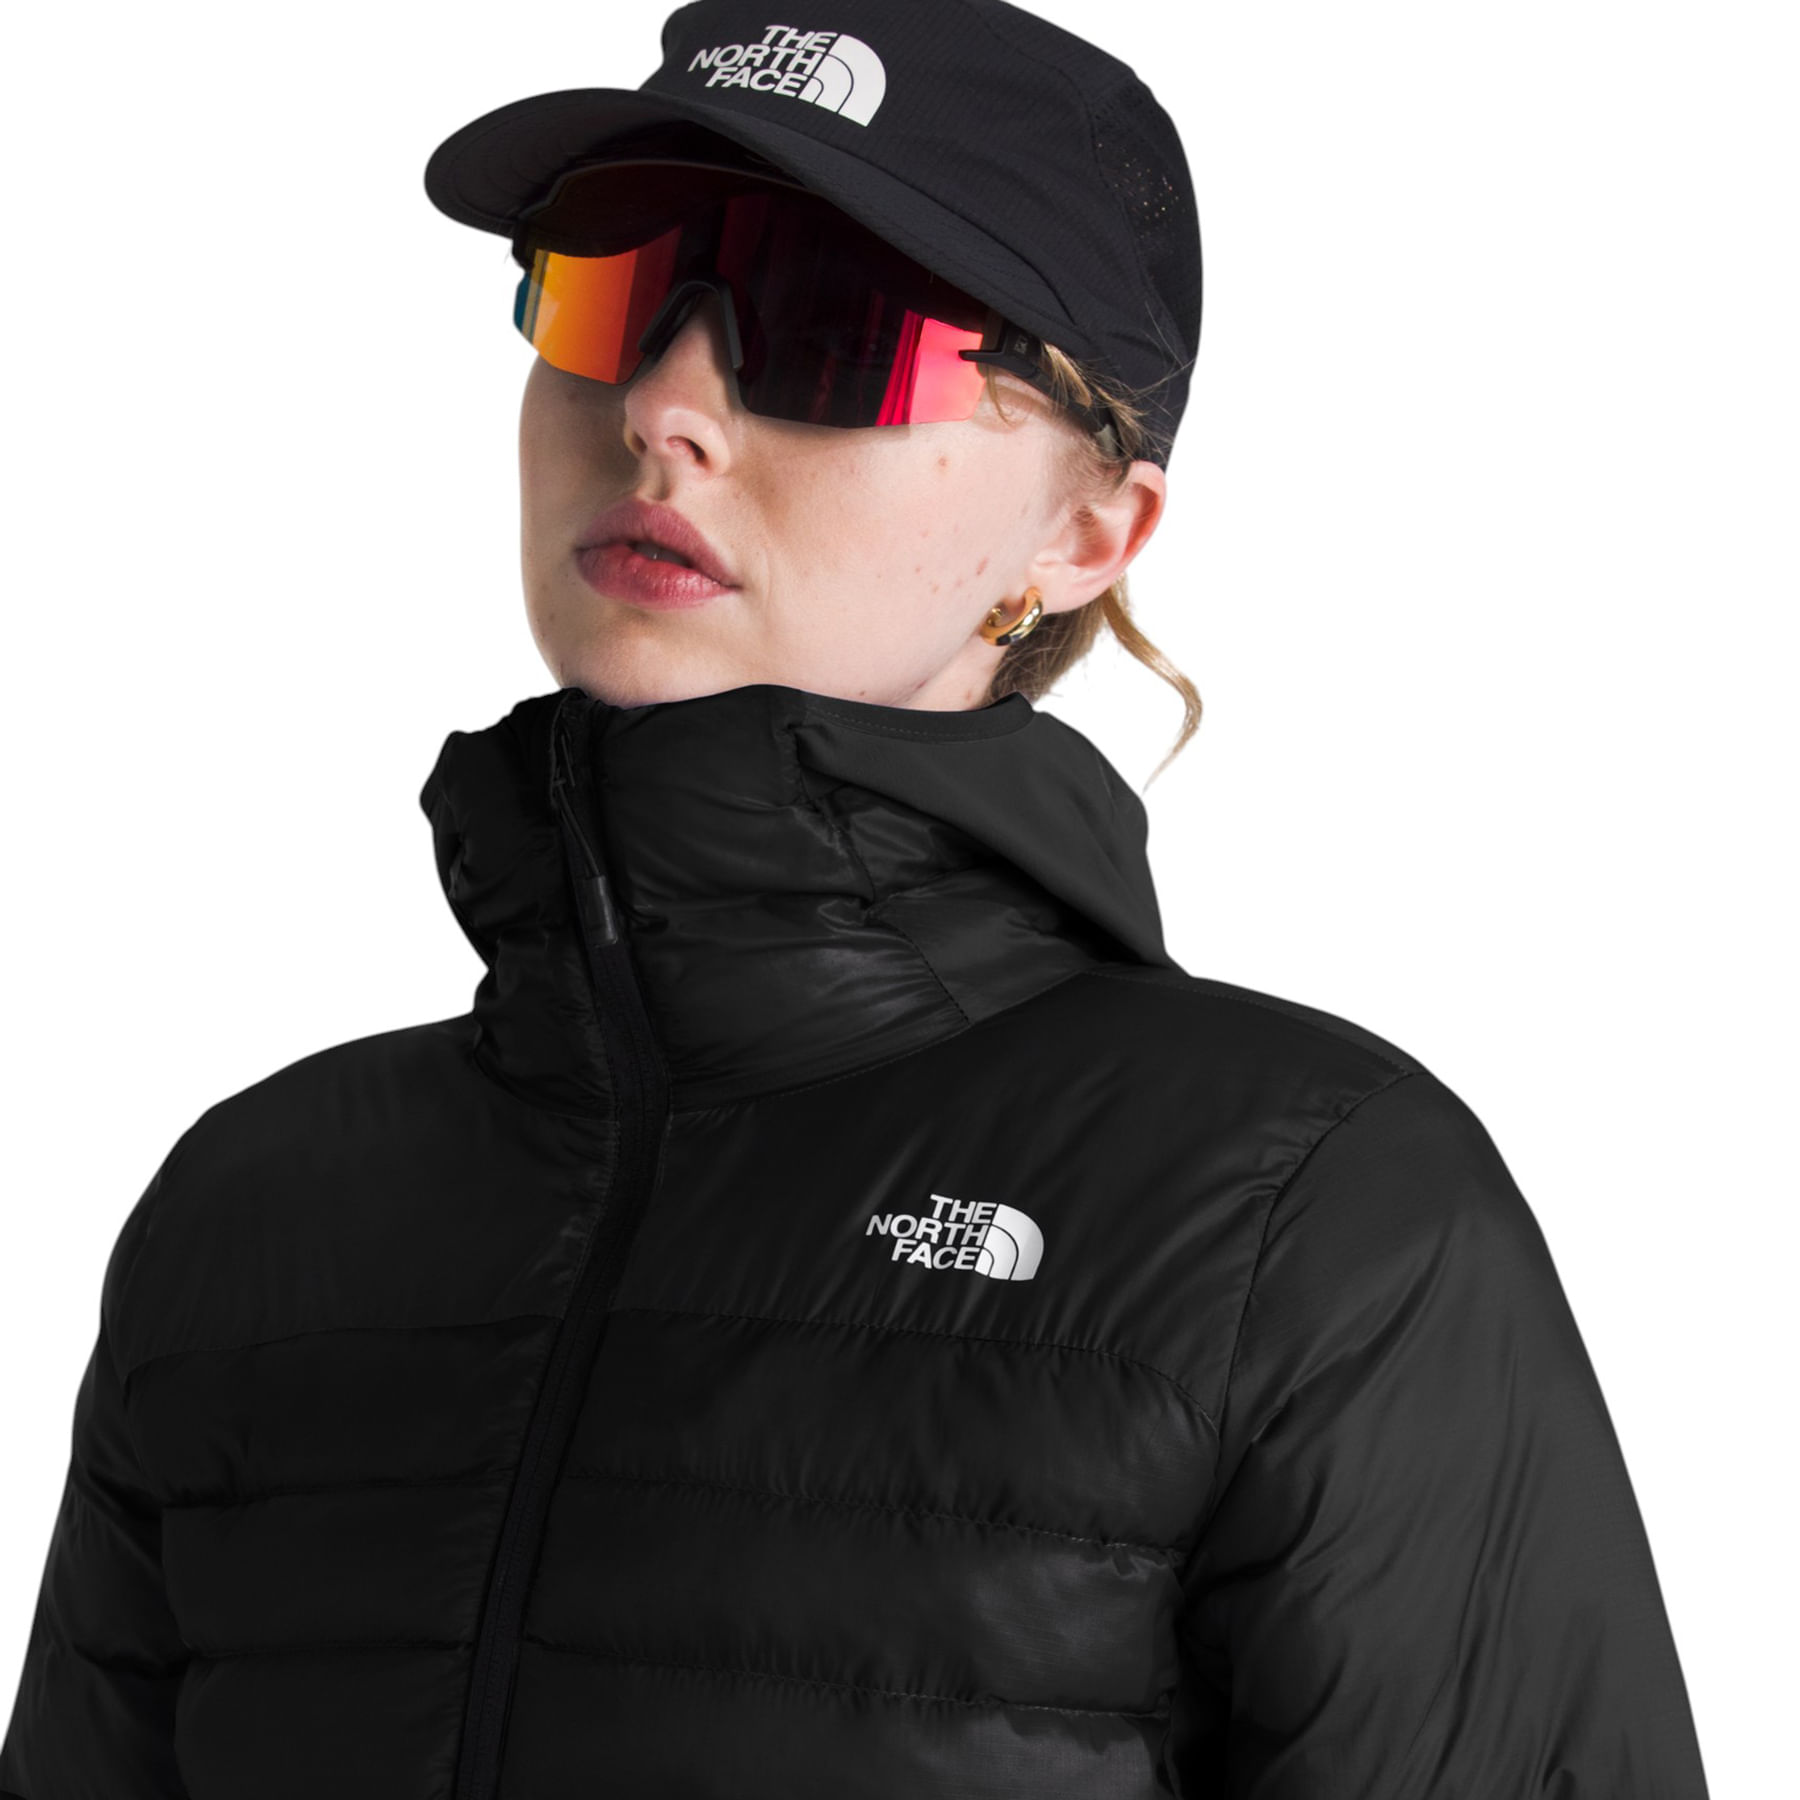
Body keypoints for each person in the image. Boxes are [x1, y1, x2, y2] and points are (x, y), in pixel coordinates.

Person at [0, 1, 1711, 1795]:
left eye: (832, 329)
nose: (662, 409)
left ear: (1086, 534)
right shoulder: (260, 1214)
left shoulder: (1303, 1212)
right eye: (612, 294)